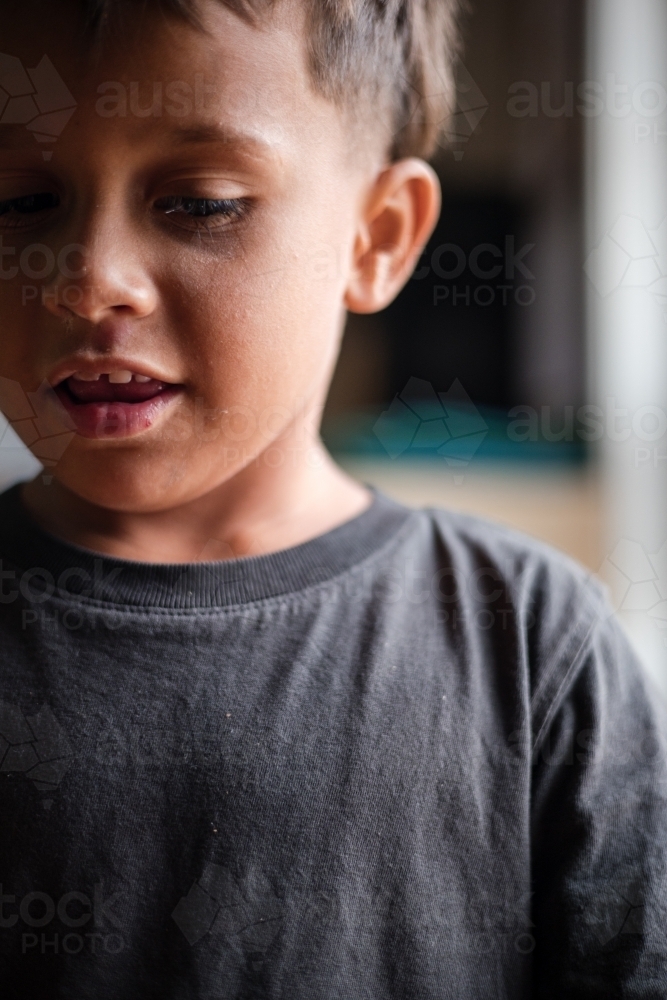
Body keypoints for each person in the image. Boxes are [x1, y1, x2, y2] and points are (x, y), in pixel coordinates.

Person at [0, 0, 666, 996]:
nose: (89, 280)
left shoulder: (526, 642)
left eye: (202, 201)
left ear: (376, 238)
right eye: (20, 201)